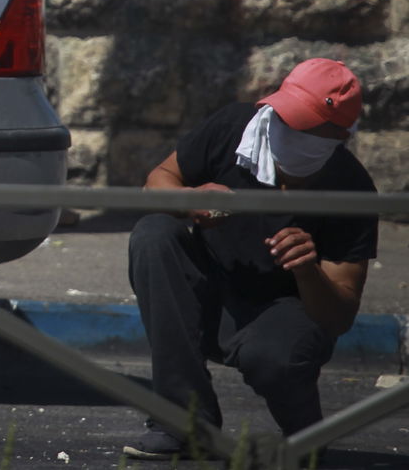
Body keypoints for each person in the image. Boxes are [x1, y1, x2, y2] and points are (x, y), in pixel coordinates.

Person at [123, 58, 377, 460]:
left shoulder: (352, 188)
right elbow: (158, 181)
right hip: (209, 293)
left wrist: (307, 270)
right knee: (155, 233)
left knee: (274, 356)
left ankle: (306, 439)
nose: (283, 127)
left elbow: (339, 316)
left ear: (338, 137)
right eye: (282, 114)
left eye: (302, 124)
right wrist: (188, 200)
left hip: (281, 314)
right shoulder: (236, 127)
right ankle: (185, 423)